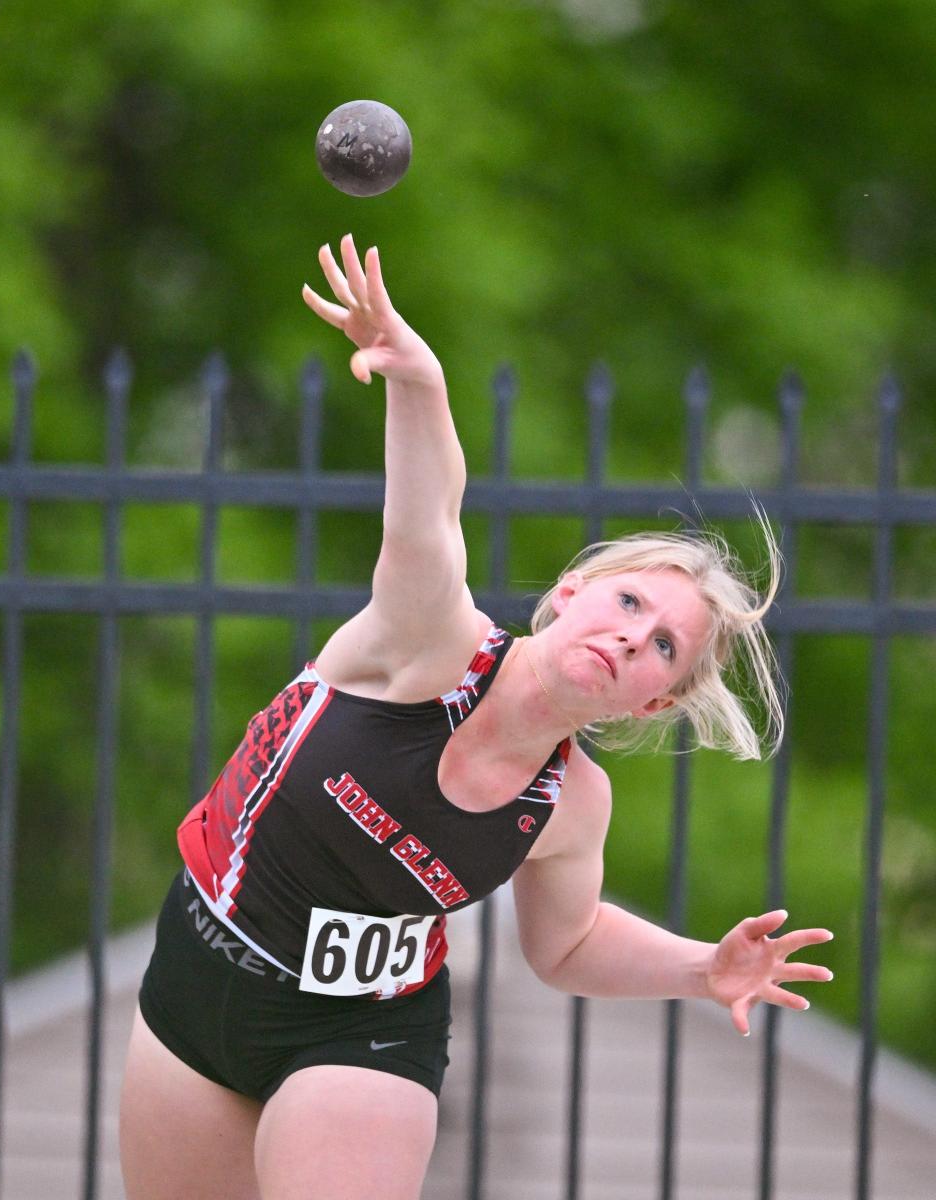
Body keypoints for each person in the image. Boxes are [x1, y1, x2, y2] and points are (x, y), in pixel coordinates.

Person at [119, 234, 834, 1200]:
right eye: (628, 604)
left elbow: (567, 946)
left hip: (361, 1032)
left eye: (664, 645)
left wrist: (704, 967)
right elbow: (427, 514)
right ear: (571, 593)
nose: (634, 638)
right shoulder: (428, 640)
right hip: (202, 973)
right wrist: (418, 380)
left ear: (653, 700)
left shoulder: (572, 803)